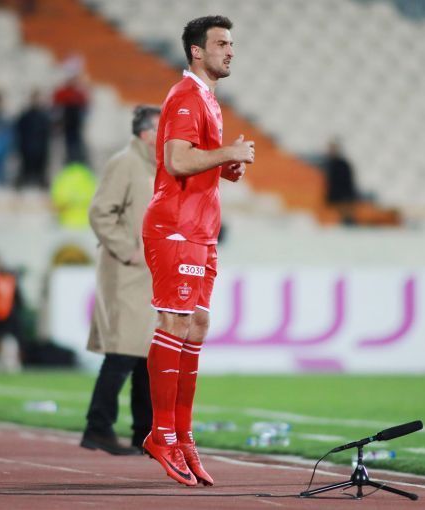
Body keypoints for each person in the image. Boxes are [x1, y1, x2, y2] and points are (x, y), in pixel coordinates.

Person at [140, 15, 254, 487]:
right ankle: (161, 434)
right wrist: (227, 154)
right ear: (196, 51)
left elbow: (194, 160)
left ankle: (183, 435)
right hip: (176, 227)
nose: (230, 51)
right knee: (174, 322)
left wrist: (223, 167)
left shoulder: (208, 98)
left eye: (231, 43)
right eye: (221, 43)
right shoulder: (186, 95)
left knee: (197, 325)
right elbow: (175, 160)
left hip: (201, 230)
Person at [80, 105, 160, 456]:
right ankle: (98, 427)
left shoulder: (152, 166)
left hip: (146, 275)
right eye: (163, 129)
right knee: (123, 352)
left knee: (145, 355)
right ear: (146, 133)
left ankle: (145, 433)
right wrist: (128, 251)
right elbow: (100, 212)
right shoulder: (125, 163)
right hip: (126, 273)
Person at [15, 89, 52, 190]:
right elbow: (19, 130)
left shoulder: (44, 116)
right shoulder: (25, 115)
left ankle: (41, 183)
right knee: (25, 168)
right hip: (27, 148)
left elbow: (47, 132)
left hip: (40, 148)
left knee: (40, 170)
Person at [50, 160, 96, 228]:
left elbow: (57, 206)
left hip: (66, 225)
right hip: (88, 226)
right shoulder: (89, 177)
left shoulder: (63, 177)